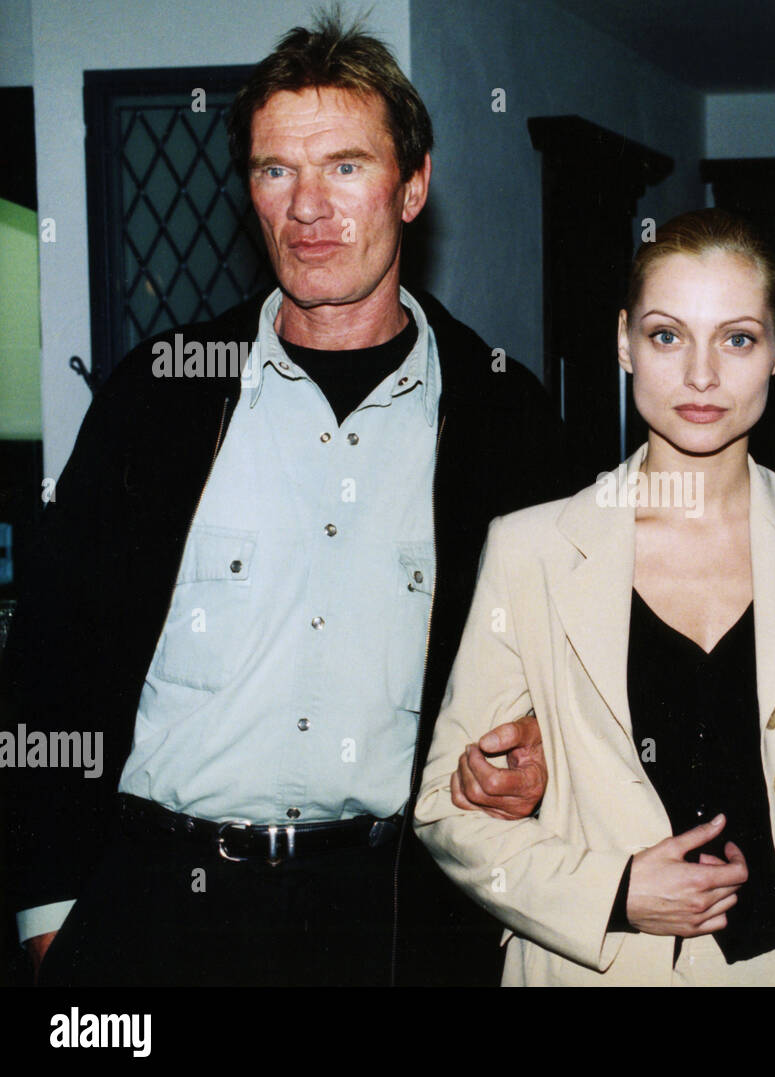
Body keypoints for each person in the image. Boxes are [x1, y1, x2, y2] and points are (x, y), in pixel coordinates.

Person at [2, 12, 560, 987]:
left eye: (346, 166)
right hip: (151, 914)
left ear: (413, 186)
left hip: (392, 920)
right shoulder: (160, 393)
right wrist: (50, 919)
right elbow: (51, 662)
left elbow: (569, 663)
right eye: (275, 171)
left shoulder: (502, 416)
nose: (309, 207)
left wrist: (540, 750)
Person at [415, 209, 775, 985]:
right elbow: (445, 807)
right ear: (626, 341)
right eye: (668, 336)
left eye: (737, 338)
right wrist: (616, 890)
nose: (702, 376)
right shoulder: (531, 547)